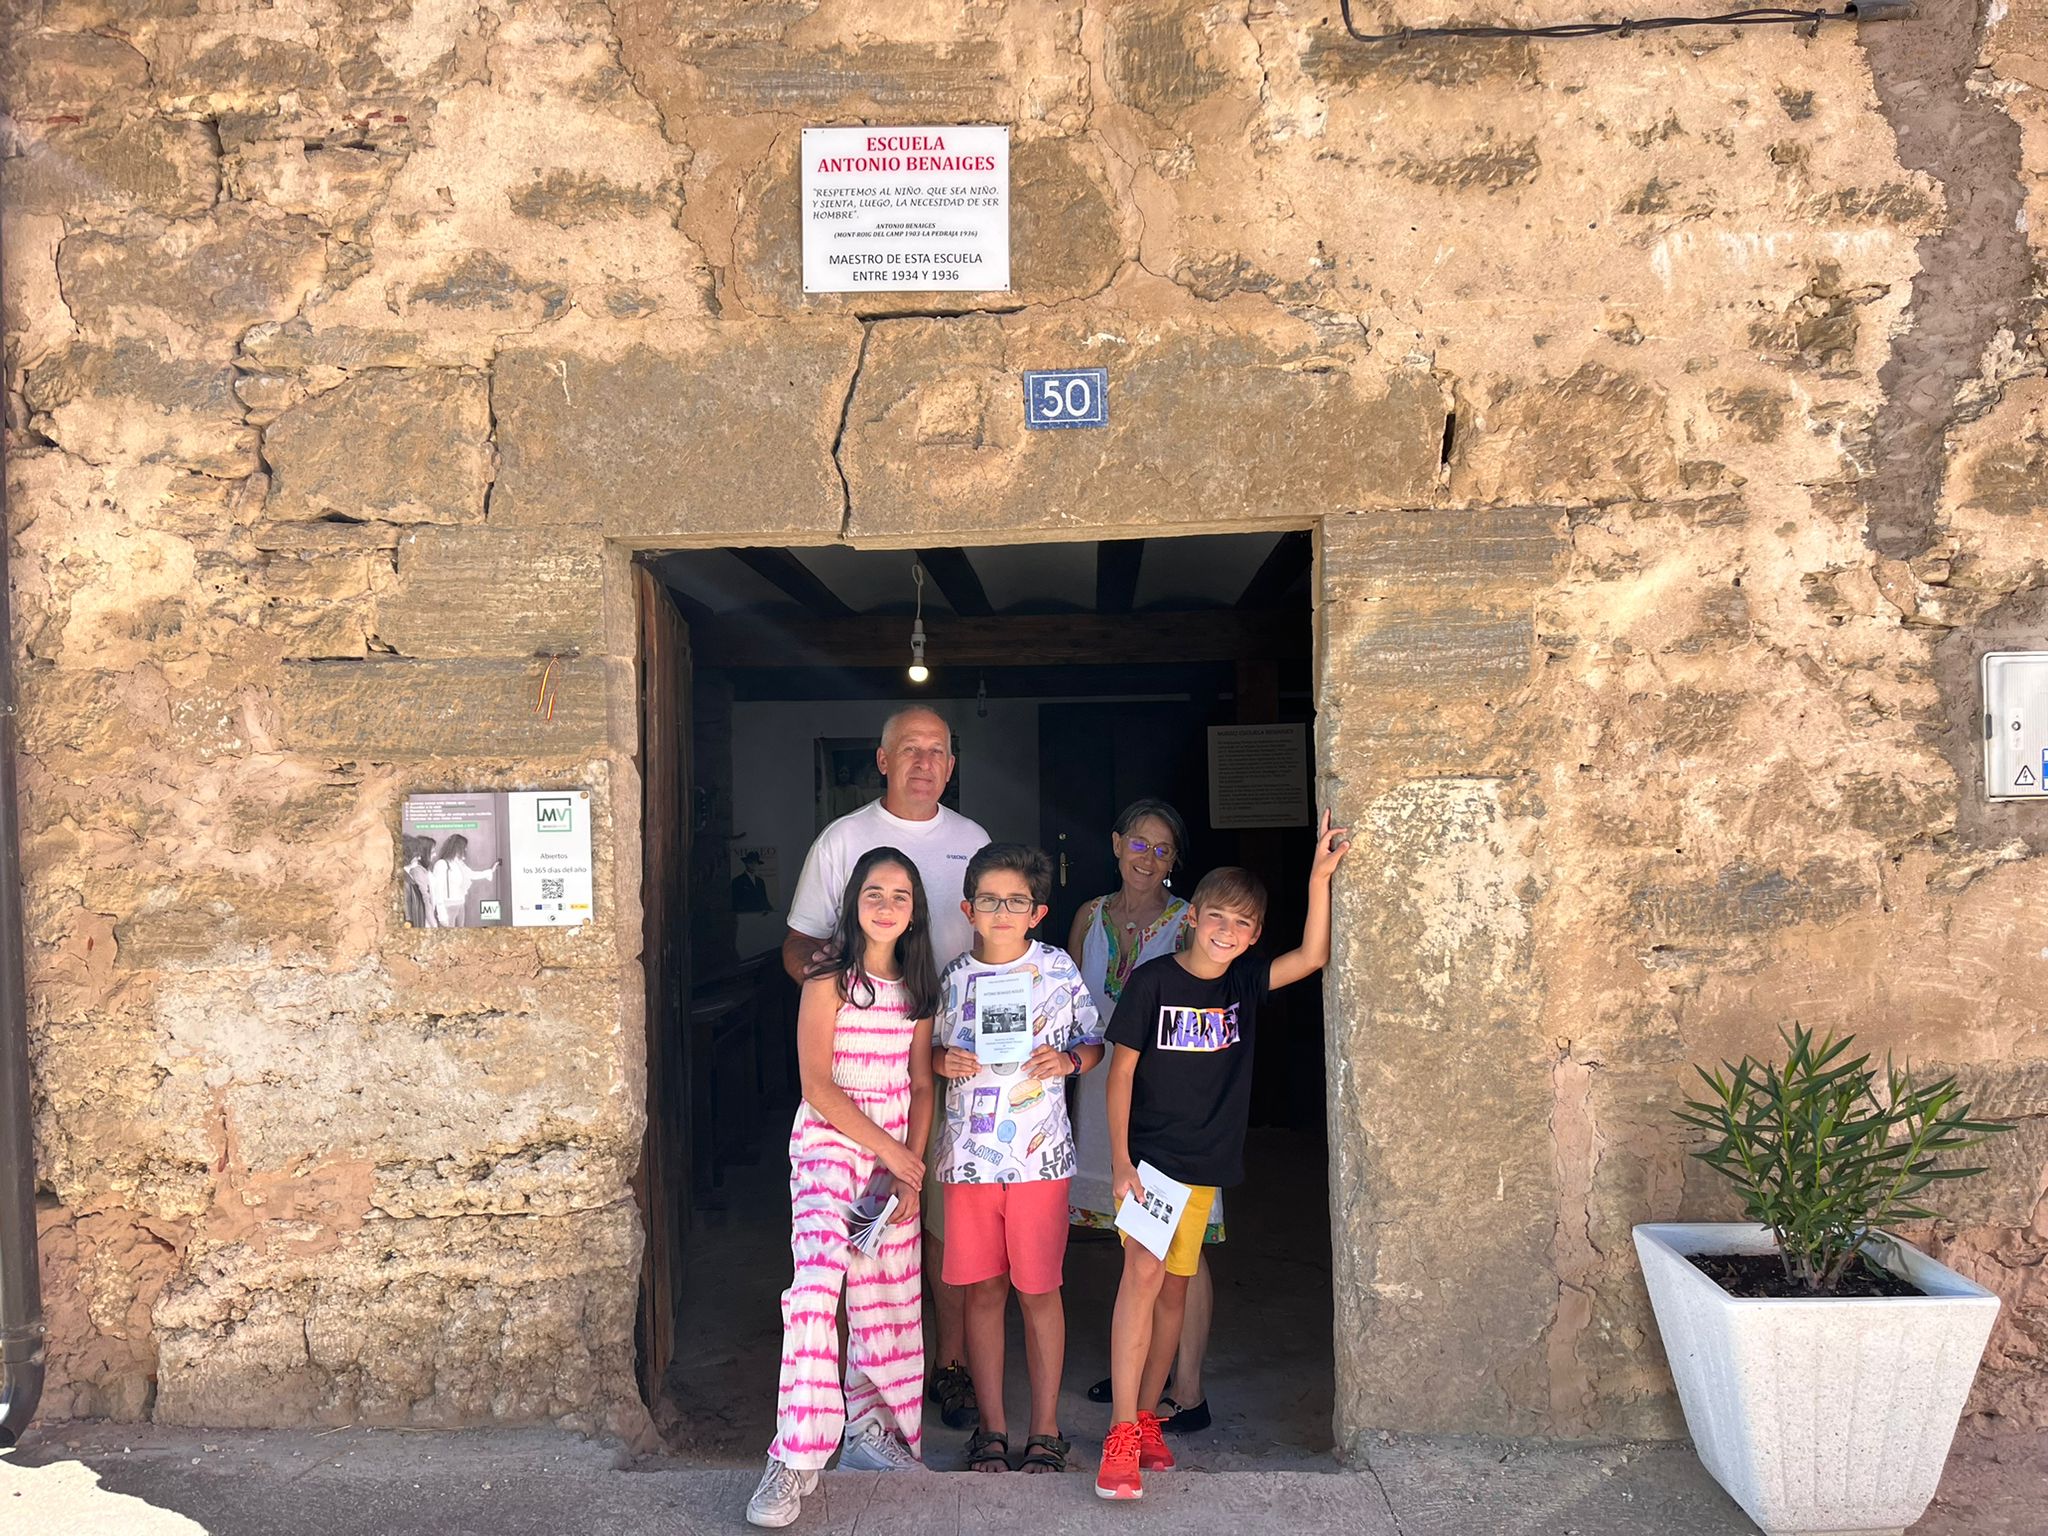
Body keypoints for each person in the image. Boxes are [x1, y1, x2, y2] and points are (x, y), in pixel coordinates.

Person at [1094, 811, 1351, 1503]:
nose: (1227, 931)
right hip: (1151, 1160)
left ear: (1255, 934)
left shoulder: (1242, 984)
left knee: (1175, 1291)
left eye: (1242, 924)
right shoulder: (1153, 982)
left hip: (1204, 1166)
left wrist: (1318, 878)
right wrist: (1119, 1162)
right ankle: (1120, 1434)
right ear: (1192, 916)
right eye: (1217, 917)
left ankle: (1148, 1419)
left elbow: (1313, 956)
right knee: (1142, 1276)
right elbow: (1120, 1075)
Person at [782, 706, 988, 1430]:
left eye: (937, 751)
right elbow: (798, 942)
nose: (924, 762)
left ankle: (949, 1367)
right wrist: (840, 996)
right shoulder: (843, 840)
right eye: (910, 749)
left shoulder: (972, 841)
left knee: (939, 1223)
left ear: (952, 766)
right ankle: (835, 1405)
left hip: (952, 1058)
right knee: (849, 1249)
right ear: (882, 759)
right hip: (860, 1068)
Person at [748, 847, 939, 1528]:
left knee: (886, 1297)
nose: (886, 906)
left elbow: (922, 1084)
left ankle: (869, 1434)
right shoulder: (829, 978)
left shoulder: (918, 988)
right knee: (815, 1288)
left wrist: (910, 1171)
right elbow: (817, 1086)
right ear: (854, 902)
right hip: (830, 1148)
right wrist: (893, 1153)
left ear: (915, 912)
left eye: (900, 895)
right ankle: (794, 1456)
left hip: (894, 1160)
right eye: (874, 893)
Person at [932, 844, 1102, 1475]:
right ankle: (992, 1426)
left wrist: (1070, 1060)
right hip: (970, 1161)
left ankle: (1046, 1427)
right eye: (989, 900)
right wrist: (941, 1061)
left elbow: (1093, 1040)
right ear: (968, 909)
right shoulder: (953, 977)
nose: (1002, 912)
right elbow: (929, 1052)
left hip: (1040, 1163)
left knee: (1039, 1291)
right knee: (983, 1291)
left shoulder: (1056, 969)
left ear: (1038, 913)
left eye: (1016, 902)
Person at [1066, 799, 1222, 1432]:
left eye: (1162, 849)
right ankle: (1142, 1373)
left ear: (1175, 860)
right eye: (1138, 843)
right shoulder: (1089, 916)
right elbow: (1068, 1002)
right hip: (1102, 1088)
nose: (1148, 858)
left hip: (1167, 1100)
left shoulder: (1189, 922)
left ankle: (1187, 1389)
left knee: (1187, 1245)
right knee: (1136, 1239)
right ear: (1115, 844)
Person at [428, 834, 498, 928]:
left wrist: (490, 871)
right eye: (464, 847)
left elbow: (472, 874)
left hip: (460, 905)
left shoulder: (459, 864)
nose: (465, 850)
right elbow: (438, 890)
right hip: (448, 907)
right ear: (457, 848)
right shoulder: (441, 864)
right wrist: (441, 914)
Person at [400, 835, 438, 928]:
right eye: (416, 855)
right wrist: (433, 923)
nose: (419, 858)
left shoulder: (410, 873)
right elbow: (425, 899)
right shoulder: (413, 873)